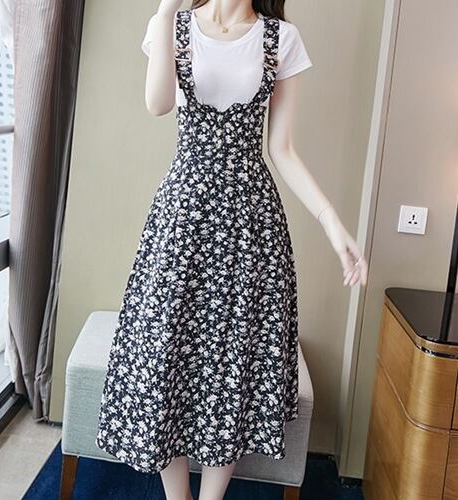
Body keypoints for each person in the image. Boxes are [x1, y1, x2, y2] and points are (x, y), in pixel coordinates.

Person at [95, 1, 368, 499]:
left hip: (251, 225)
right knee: (167, 352)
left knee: (235, 359)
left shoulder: (280, 38)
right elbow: (157, 103)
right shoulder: (172, 26)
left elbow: (281, 149)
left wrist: (332, 222)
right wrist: (166, 10)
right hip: (183, 218)